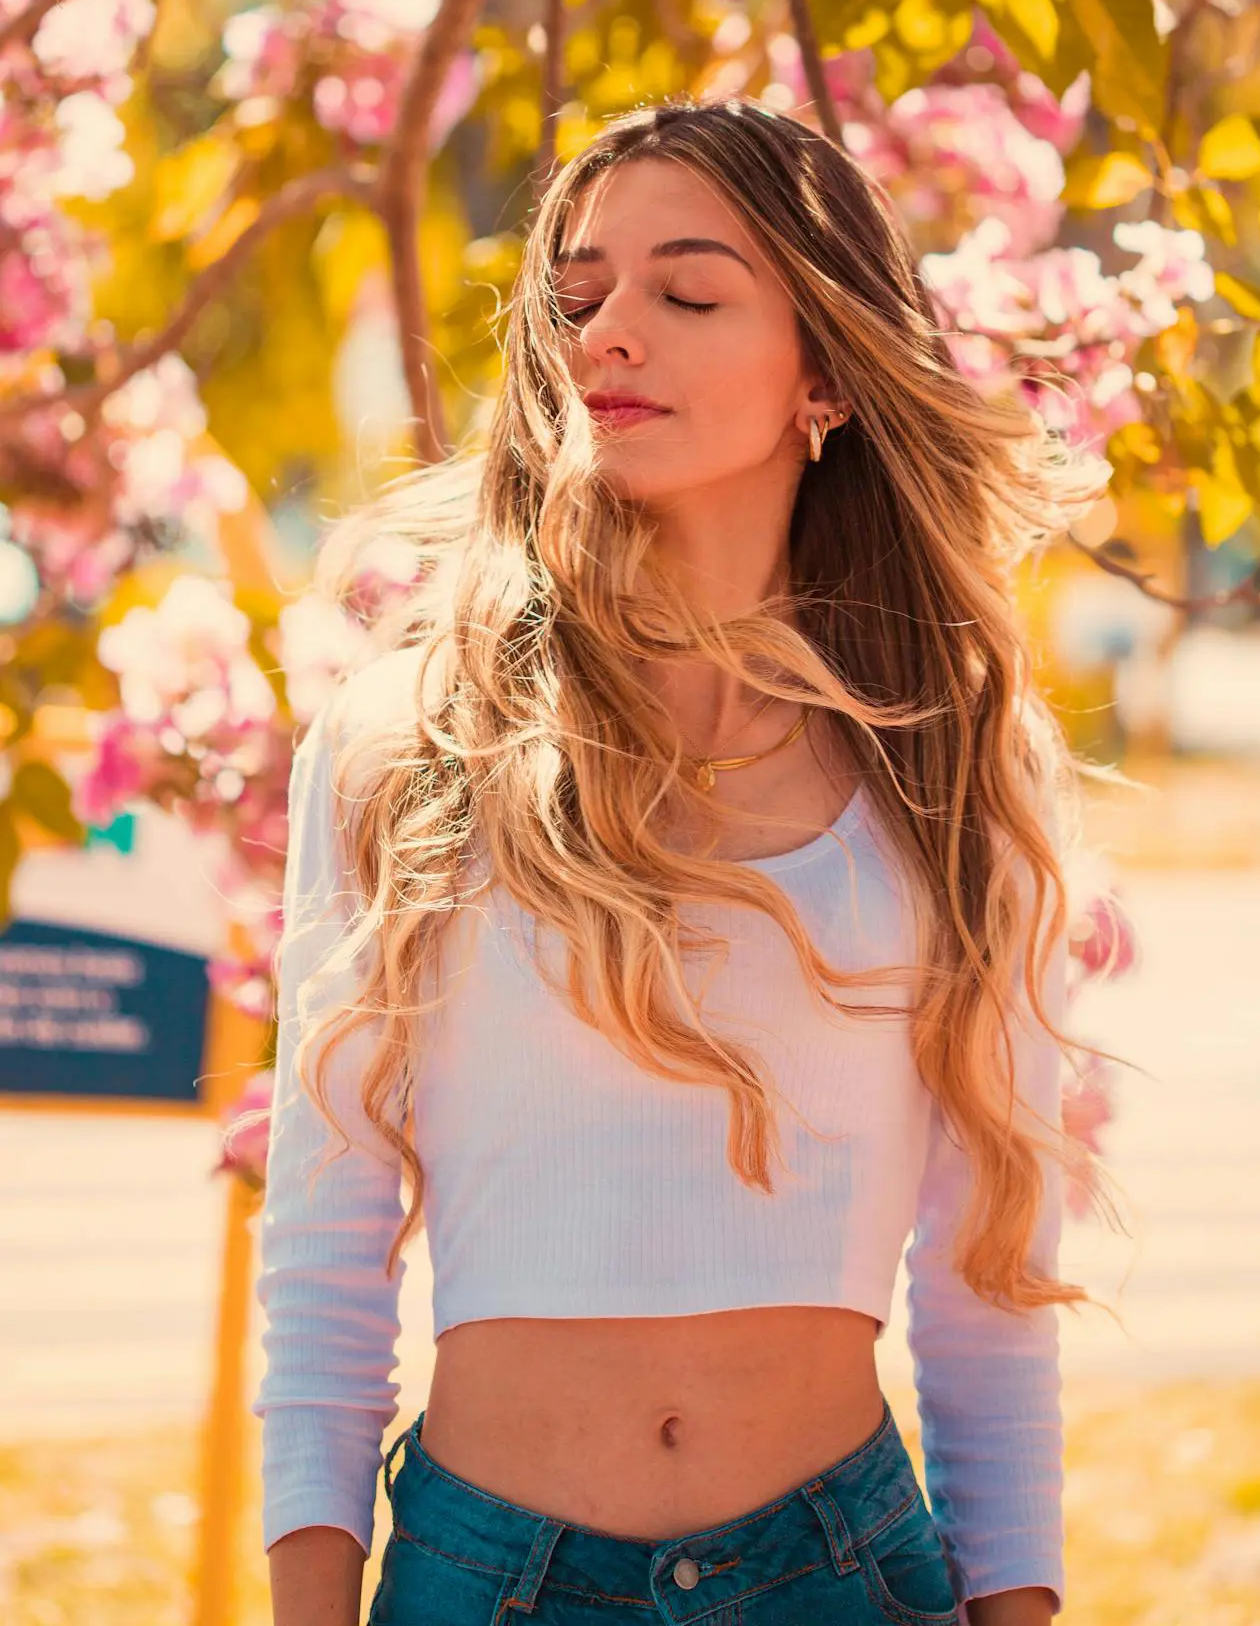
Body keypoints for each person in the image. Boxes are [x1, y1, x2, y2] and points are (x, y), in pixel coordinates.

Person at [254, 98, 1103, 1626]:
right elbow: (324, 1246)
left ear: (828, 372)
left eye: (687, 292)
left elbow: (989, 1294)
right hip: (484, 1575)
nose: (610, 335)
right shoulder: (405, 739)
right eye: (578, 298)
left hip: (839, 1573)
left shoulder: (958, 764)